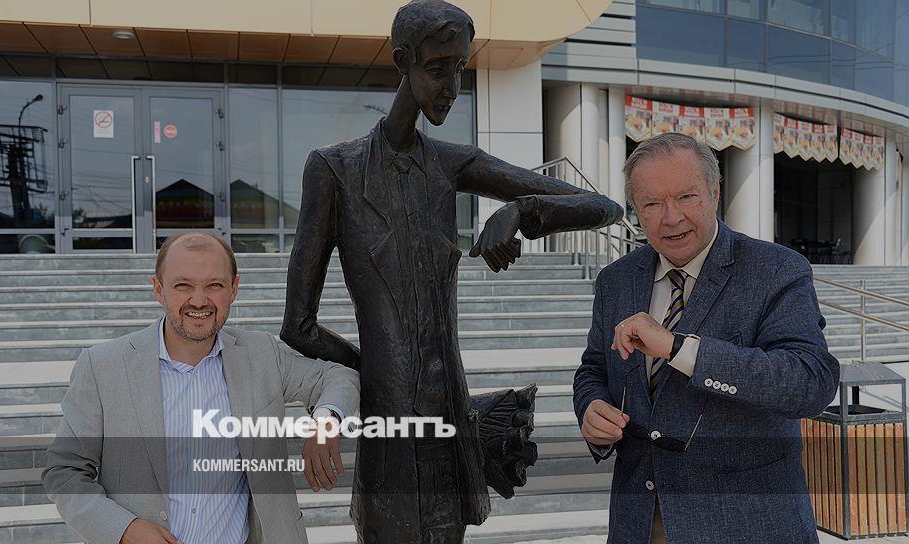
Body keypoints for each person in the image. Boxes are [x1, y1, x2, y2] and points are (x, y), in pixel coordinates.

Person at [280, 1, 623, 542]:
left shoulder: (451, 164)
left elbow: (603, 206)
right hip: (390, 433)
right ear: (403, 63)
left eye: (460, 68)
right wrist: (378, 374)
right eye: (438, 68)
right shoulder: (334, 171)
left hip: (449, 426)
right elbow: (297, 325)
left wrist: (520, 210)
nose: (452, 87)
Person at [572, 133, 839, 544]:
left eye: (686, 197)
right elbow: (593, 369)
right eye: (652, 204)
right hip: (639, 524)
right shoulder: (616, 281)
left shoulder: (776, 270)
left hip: (748, 527)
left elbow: (810, 382)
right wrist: (591, 408)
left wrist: (678, 349)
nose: (671, 217)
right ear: (636, 210)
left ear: (715, 193)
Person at [42, 232, 360, 544]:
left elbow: (337, 376)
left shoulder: (262, 354)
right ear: (159, 290)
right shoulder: (103, 367)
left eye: (214, 285)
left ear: (233, 289)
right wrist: (125, 529)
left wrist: (325, 421)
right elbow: (64, 471)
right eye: (183, 285)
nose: (198, 300)